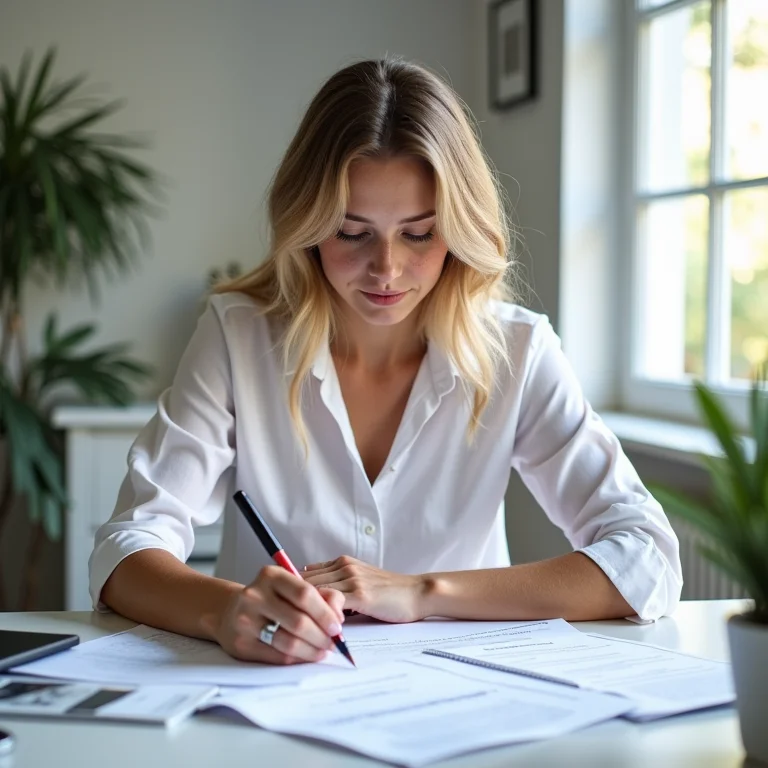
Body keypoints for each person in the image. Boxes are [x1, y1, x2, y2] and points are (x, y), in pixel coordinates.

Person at [91, 57, 682, 667]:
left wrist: (423, 592)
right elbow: (126, 548)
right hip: (267, 697)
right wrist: (224, 612)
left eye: (419, 234)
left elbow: (647, 557)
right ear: (309, 226)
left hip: (468, 703)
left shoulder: (519, 351)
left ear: (458, 230)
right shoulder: (237, 337)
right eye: (352, 233)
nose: (387, 270)